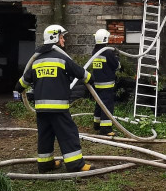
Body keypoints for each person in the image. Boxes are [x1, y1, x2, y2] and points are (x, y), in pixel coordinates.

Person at [18, 24, 91, 173]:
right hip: (58, 108)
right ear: (55, 38)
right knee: (68, 134)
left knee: (45, 135)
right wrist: (91, 78)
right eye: (62, 37)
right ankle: (75, 165)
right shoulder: (62, 59)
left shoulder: (36, 61)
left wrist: (19, 88)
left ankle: (45, 164)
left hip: (41, 109)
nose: (63, 40)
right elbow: (81, 73)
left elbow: (22, 83)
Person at [88, 28, 120, 136]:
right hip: (107, 85)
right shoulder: (107, 52)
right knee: (107, 106)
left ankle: (97, 124)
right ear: (105, 39)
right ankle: (105, 129)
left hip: (96, 84)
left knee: (99, 104)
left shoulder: (94, 52)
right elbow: (116, 66)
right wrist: (116, 57)